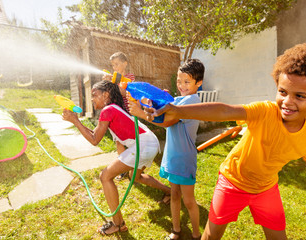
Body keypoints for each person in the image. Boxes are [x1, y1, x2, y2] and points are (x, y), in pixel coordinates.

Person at [144, 39, 306, 240]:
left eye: (300, 96)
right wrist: (177, 110)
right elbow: (224, 110)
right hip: (232, 182)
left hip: (266, 189)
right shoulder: (265, 111)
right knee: (211, 236)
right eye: (282, 91)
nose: (287, 101)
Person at [62, 81, 171, 236]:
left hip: (144, 145)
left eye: (95, 95)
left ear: (106, 95)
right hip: (149, 142)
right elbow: (95, 134)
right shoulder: (113, 110)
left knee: (105, 176)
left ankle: (118, 224)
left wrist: (75, 121)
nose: (92, 99)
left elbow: (94, 140)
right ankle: (170, 191)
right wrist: (76, 120)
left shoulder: (108, 110)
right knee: (136, 177)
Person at [129, 59, 205, 240]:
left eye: (187, 82)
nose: (181, 85)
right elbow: (162, 107)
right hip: (172, 156)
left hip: (184, 159)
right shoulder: (180, 99)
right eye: (179, 81)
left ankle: (196, 234)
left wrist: (141, 113)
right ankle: (177, 230)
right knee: (175, 195)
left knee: (188, 201)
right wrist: (148, 104)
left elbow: (167, 122)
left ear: (199, 83)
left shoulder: (192, 101)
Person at [103, 51, 135, 181]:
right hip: (118, 113)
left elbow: (123, 92)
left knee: (131, 142)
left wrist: (114, 81)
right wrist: (108, 82)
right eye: (113, 65)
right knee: (118, 140)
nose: (114, 67)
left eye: (116, 64)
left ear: (125, 63)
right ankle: (123, 169)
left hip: (129, 113)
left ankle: (133, 166)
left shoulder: (130, 77)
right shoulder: (114, 78)